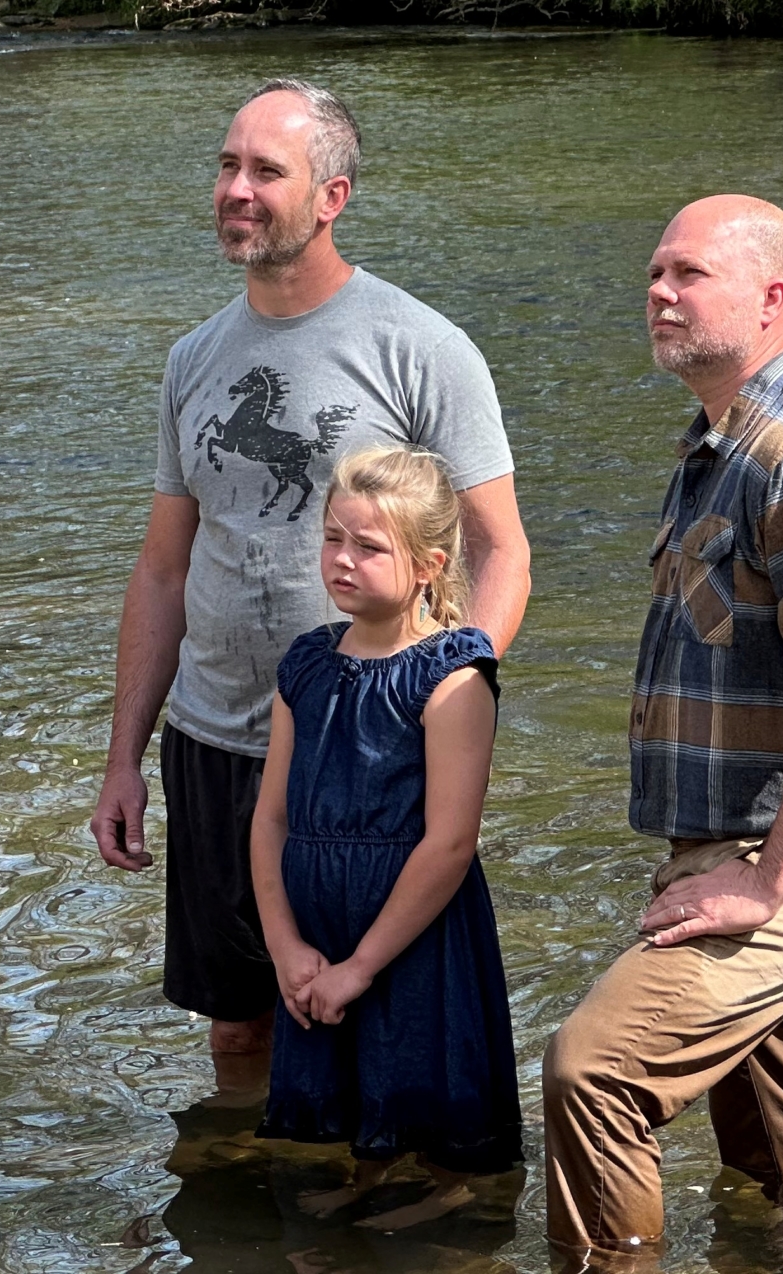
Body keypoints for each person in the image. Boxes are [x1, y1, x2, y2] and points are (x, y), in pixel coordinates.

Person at [92, 79, 531, 1076]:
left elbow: (501, 548)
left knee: (374, 1023)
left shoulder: (422, 349)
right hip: (211, 738)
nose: (235, 190)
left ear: (331, 197)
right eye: (227, 165)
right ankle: (242, 1178)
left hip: (362, 746)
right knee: (238, 1025)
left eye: (266, 171)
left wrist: (439, 699)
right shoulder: (193, 359)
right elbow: (162, 569)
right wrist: (125, 757)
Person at [540, 195, 783, 1268]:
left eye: (688, 274)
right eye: (654, 274)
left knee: (594, 1072)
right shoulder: (721, 446)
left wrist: (769, 880)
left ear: (770, 298)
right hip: (749, 849)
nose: (659, 292)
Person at [249, 445, 522, 1231]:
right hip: (316, 918)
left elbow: (450, 842)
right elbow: (270, 818)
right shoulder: (306, 665)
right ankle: (370, 1170)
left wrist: (362, 965)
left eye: (368, 547)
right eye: (333, 538)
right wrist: (285, 947)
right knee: (350, 1071)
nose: (341, 559)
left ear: (430, 565)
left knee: (421, 1054)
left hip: (412, 924)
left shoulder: (452, 677)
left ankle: (450, 1185)